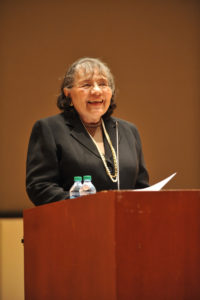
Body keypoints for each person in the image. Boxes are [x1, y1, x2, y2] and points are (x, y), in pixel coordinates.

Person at [26, 57, 149, 206]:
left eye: (103, 84)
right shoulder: (49, 129)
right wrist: (86, 206)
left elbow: (142, 188)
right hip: (74, 224)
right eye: (86, 84)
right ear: (68, 93)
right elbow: (40, 187)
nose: (96, 90)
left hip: (126, 224)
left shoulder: (128, 131)